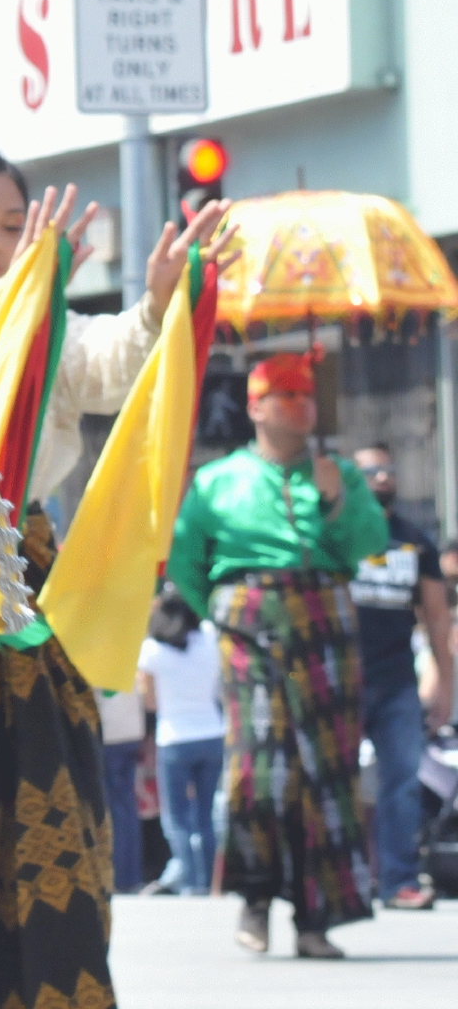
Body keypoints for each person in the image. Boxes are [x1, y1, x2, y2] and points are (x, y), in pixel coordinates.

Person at [0, 146, 231, 1009]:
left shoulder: (43, 327)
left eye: (14, 227)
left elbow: (113, 364)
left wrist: (161, 303)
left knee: (63, 846)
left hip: (29, 597)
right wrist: (30, 287)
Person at [166, 350, 390, 958]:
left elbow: (371, 545)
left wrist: (338, 500)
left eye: (308, 395)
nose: (302, 405)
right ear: (256, 406)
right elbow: (186, 563)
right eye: (287, 394)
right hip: (250, 619)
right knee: (259, 764)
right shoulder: (216, 481)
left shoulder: (335, 470)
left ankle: (317, 918)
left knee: (329, 765)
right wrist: (222, 607)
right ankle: (255, 897)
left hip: (325, 615)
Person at [348, 442, 453, 909]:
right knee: (339, 781)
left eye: (389, 470)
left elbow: (436, 618)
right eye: (373, 472)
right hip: (343, 678)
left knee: (402, 780)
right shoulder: (338, 537)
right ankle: (346, 880)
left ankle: (398, 880)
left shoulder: (414, 540)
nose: (384, 479)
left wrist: (445, 684)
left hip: (396, 683)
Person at [135, 588, 224, 896]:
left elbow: (149, 703)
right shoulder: (210, 639)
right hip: (212, 733)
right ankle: (207, 880)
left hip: (174, 737)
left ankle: (188, 880)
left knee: (176, 818)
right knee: (205, 814)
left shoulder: (152, 651)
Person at [99, 689, 146, 893]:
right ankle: (131, 876)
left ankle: (117, 875)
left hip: (109, 734)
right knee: (127, 807)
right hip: (131, 731)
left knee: (114, 808)